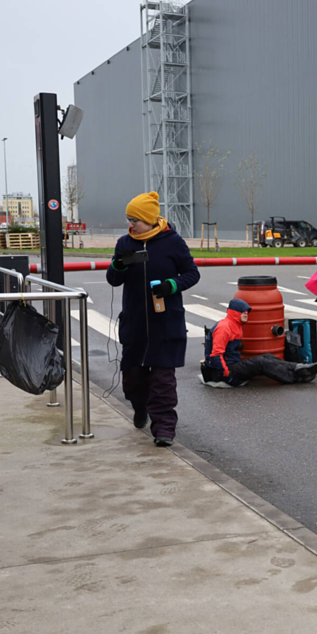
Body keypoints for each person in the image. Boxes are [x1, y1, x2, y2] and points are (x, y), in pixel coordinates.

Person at [107, 191, 200, 447]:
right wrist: (118, 266)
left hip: (165, 324)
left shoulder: (173, 242)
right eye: (129, 219)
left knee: (163, 381)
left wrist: (172, 285)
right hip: (135, 324)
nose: (131, 224)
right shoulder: (125, 243)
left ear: (149, 219)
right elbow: (113, 280)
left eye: (135, 219)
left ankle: (164, 430)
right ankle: (140, 407)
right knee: (133, 379)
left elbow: (192, 274)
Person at [201, 299, 317, 387]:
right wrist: (227, 376)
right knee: (261, 362)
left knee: (267, 356)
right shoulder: (224, 327)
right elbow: (215, 355)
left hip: (231, 364)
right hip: (221, 371)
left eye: (247, 312)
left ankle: (298, 367)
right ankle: (296, 377)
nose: (246, 314)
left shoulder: (235, 325)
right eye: (243, 311)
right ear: (234, 312)